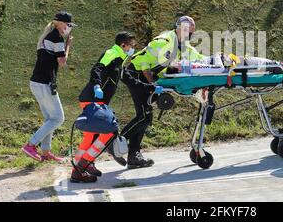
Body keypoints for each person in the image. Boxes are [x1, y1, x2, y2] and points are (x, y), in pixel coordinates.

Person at [121, 16, 205, 169]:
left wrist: (216, 61)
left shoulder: (183, 46)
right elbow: (144, 63)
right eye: (186, 31)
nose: (188, 35)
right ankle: (116, 142)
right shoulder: (164, 41)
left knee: (145, 116)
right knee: (144, 117)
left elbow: (198, 59)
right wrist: (152, 84)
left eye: (191, 33)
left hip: (147, 79)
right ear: (178, 28)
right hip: (137, 74)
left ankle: (133, 155)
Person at [71, 31, 136, 183]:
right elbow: (96, 69)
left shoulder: (120, 61)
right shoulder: (112, 53)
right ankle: (85, 163)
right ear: (123, 45)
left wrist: (151, 88)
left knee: (90, 136)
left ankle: (78, 170)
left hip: (94, 101)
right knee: (109, 131)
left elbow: (129, 79)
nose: (133, 49)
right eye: (131, 46)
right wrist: (97, 86)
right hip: (93, 99)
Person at [22, 11, 75, 162]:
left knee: (50, 119)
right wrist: (68, 46)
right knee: (58, 118)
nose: (69, 27)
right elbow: (62, 62)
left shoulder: (46, 37)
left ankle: (45, 152)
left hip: (37, 83)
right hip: (44, 83)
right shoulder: (56, 38)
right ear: (59, 23)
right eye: (68, 24)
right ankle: (31, 145)